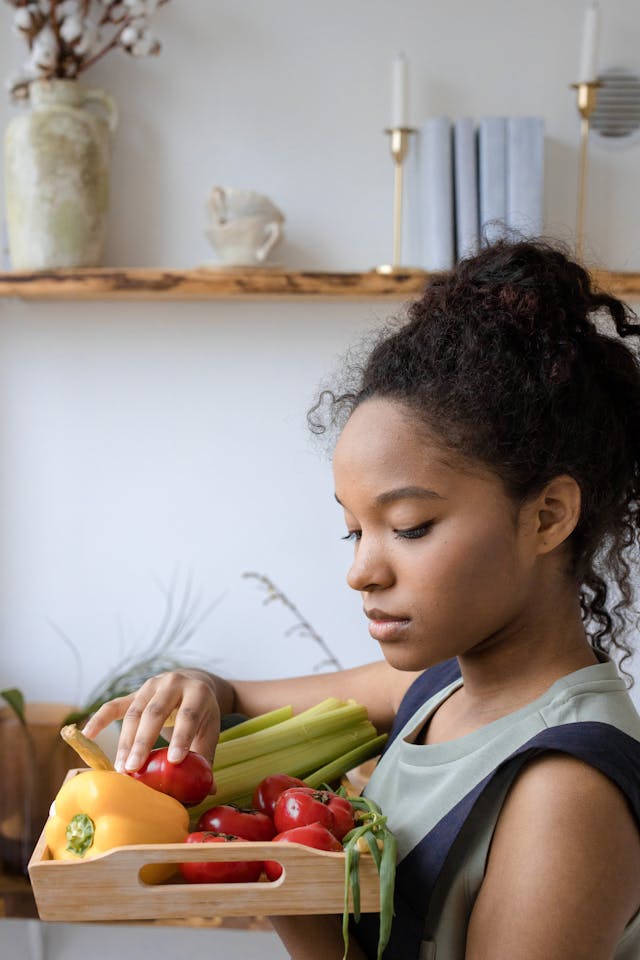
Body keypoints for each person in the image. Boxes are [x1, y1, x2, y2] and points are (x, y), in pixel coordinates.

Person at [83, 239, 640, 960]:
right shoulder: (438, 688)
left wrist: (277, 872)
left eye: (409, 527)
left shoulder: (564, 788)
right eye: (354, 532)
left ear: (547, 517)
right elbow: (239, 696)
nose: (362, 573)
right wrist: (201, 689)